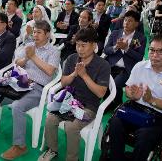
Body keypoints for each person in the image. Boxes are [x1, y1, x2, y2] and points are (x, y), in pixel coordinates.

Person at [0, 20, 60, 160]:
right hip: (20, 83)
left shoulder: (54, 51)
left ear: (47, 34)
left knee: (17, 107)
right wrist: (26, 58)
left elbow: (50, 71)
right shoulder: (29, 45)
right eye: (34, 32)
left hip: (38, 88)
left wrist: (32, 57)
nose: (35, 35)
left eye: (39, 32)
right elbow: (17, 63)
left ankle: (20, 146)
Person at [107, 34, 162, 161]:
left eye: (160, 51)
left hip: (159, 116)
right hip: (135, 109)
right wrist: (132, 94)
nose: (155, 55)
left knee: (145, 136)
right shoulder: (140, 66)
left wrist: (151, 100)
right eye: (152, 50)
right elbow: (128, 90)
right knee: (115, 122)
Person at [39, 27, 110, 161]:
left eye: (84, 45)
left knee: (71, 127)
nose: (80, 49)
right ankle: (52, 150)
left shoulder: (103, 65)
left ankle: (72, 158)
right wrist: (74, 74)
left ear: (94, 45)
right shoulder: (72, 59)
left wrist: (84, 76)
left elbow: (101, 93)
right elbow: (64, 82)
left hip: (88, 107)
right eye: (78, 45)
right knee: (50, 119)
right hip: (69, 101)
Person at [103, 10, 146, 110]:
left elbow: (139, 57)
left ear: (136, 24)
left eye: (130, 21)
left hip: (127, 69)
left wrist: (126, 48)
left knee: (116, 83)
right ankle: (107, 104)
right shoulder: (115, 33)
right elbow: (106, 49)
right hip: (111, 65)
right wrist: (116, 47)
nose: (126, 23)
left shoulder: (139, 38)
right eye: (125, 20)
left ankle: (117, 104)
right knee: (104, 82)